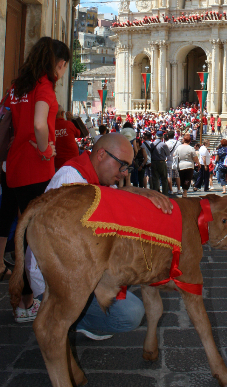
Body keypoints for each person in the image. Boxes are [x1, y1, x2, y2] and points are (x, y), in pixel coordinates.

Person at [27, 133, 172, 339]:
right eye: (122, 165)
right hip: (57, 280)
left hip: (80, 269)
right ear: (102, 154)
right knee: (131, 315)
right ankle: (66, 318)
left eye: (127, 168)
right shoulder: (71, 180)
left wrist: (134, 192)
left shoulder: (98, 178)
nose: (124, 173)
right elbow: (68, 255)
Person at [5, 37, 70, 322]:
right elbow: (40, 124)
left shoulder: (17, 87)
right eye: (65, 64)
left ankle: (24, 300)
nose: (64, 70)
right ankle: (35, 302)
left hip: (15, 169)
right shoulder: (44, 87)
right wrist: (46, 150)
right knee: (37, 239)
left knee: (24, 236)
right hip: (36, 169)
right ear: (57, 63)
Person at [54, 106, 81, 171]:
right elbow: (78, 134)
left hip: (57, 161)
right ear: (63, 113)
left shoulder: (50, 125)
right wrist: (70, 120)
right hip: (72, 159)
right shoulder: (69, 124)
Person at [165, 130, 181, 195]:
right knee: (177, 176)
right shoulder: (178, 142)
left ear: (168, 136)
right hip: (176, 161)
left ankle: (171, 190)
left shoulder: (166, 143)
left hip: (169, 160)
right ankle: (179, 189)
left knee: (169, 176)